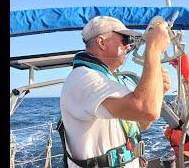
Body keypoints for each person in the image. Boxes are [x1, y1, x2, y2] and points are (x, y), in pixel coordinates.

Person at [60, 15, 171, 168]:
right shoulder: (83, 79)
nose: (128, 46)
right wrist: (153, 49)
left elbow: (143, 122)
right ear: (101, 42)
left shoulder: (111, 79)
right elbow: (147, 109)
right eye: (125, 40)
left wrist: (159, 92)